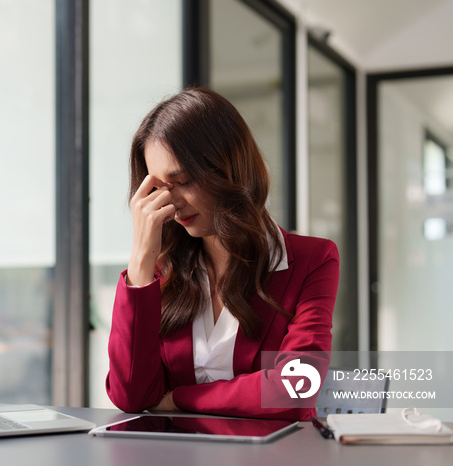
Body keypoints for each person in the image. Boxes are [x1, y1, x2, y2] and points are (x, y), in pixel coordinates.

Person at [106, 87, 339, 421]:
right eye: (158, 188)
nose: (171, 203)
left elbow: (295, 389)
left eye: (182, 180)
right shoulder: (160, 269)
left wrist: (181, 399)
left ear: (228, 168)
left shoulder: (312, 260)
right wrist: (141, 259)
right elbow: (130, 396)